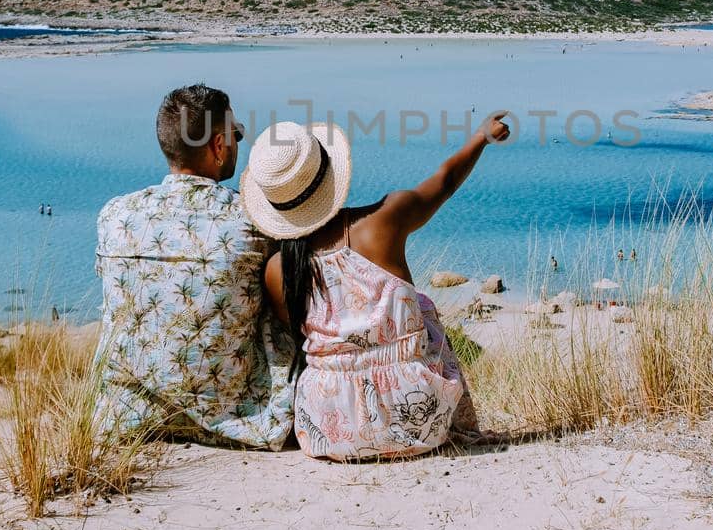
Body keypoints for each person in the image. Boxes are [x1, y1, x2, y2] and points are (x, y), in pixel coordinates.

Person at [246, 112, 510, 460]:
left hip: (328, 430)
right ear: (331, 175)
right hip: (419, 420)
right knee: (423, 305)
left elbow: (294, 334)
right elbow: (443, 182)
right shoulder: (384, 220)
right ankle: (460, 426)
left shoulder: (279, 269)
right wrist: (481, 138)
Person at [92, 83, 295, 449]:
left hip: (126, 415)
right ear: (218, 146)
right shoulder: (250, 218)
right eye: (236, 134)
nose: (238, 142)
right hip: (238, 417)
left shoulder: (115, 215)